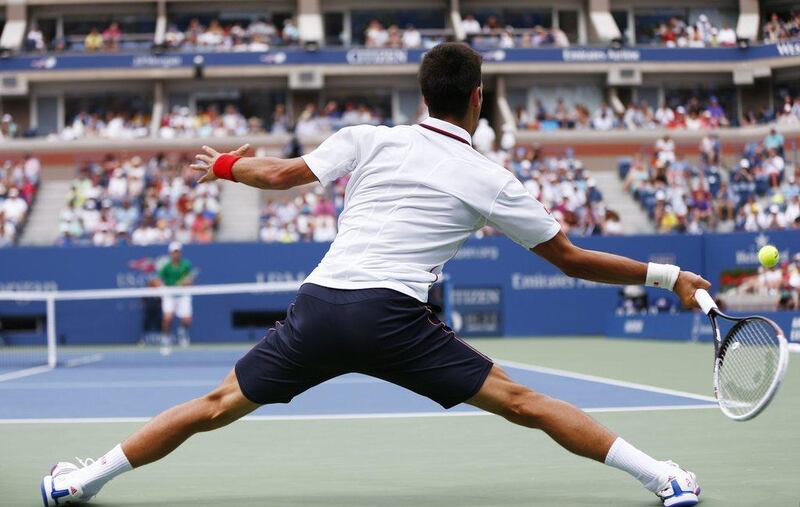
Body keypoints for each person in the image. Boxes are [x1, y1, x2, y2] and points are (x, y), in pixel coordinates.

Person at [42, 43, 709, 507]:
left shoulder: (368, 137)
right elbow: (571, 258)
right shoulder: (492, 178)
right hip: (392, 317)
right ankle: (665, 478)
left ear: (423, 94)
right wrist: (667, 273)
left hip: (321, 305)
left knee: (214, 406)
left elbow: (274, 175)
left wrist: (223, 167)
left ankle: (81, 481)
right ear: (478, 99)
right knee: (523, 402)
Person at [156, 241, 194, 347]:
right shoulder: (166, 266)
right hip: (170, 294)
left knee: (187, 320)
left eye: (178, 252)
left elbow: (190, 279)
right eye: (174, 252)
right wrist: (161, 288)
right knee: (167, 318)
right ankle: (165, 337)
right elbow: (158, 279)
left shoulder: (186, 264)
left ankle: (182, 333)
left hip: (183, 294)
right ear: (170, 253)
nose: (176, 254)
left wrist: (187, 282)